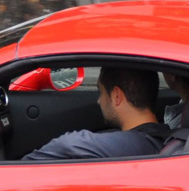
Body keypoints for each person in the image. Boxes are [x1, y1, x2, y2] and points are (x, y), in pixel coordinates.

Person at [22, 67, 172, 161]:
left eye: (101, 92)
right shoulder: (165, 138)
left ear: (116, 96)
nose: (99, 101)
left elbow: (70, 144)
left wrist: (23, 164)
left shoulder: (139, 144)